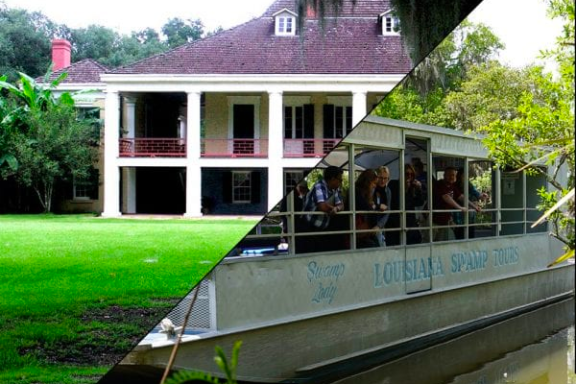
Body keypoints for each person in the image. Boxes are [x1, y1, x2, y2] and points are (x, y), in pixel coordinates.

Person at [298, 166, 345, 253]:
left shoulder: (335, 189)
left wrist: (336, 208)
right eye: (340, 180)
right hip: (308, 226)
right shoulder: (319, 186)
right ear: (332, 178)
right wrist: (333, 208)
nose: (341, 182)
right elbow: (322, 206)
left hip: (321, 228)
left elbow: (341, 205)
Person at [432, 167, 480, 241]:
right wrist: (460, 208)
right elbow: (446, 197)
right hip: (433, 219)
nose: (451, 177)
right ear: (444, 175)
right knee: (429, 243)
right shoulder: (439, 184)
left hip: (444, 220)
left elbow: (461, 197)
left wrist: (475, 207)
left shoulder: (453, 186)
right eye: (449, 175)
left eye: (453, 175)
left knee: (445, 241)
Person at [453, 168, 488, 239]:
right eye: (463, 176)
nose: (465, 177)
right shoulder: (455, 186)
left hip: (469, 215)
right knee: (460, 235)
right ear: (459, 176)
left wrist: (482, 195)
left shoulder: (469, 185)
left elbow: (476, 193)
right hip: (459, 215)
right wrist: (475, 206)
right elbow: (462, 198)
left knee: (471, 234)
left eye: (466, 176)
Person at [354, 170, 380, 248]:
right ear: (368, 182)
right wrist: (374, 206)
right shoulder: (356, 193)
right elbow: (368, 210)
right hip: (358, 233)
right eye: (374, 183)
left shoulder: (364, 194)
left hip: (364, 232)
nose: (375, 186)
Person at [405, 164, 426, 244]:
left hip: (411, 222)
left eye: (411, 174)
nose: (409, 176)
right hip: (399, 222)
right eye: (407, 174)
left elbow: (419, 202)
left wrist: (419, 189)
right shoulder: (395, 184)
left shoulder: (412, 188)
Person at [373, 166, 392, 247]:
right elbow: (369, 204)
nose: (383, 180)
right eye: (381, 178)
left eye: (385, 178)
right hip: (370, 222)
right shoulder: (372, 188)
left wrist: (379, 225)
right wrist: (378, 206)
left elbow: (388, 210)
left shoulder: (388, 191)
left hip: (381, 226)